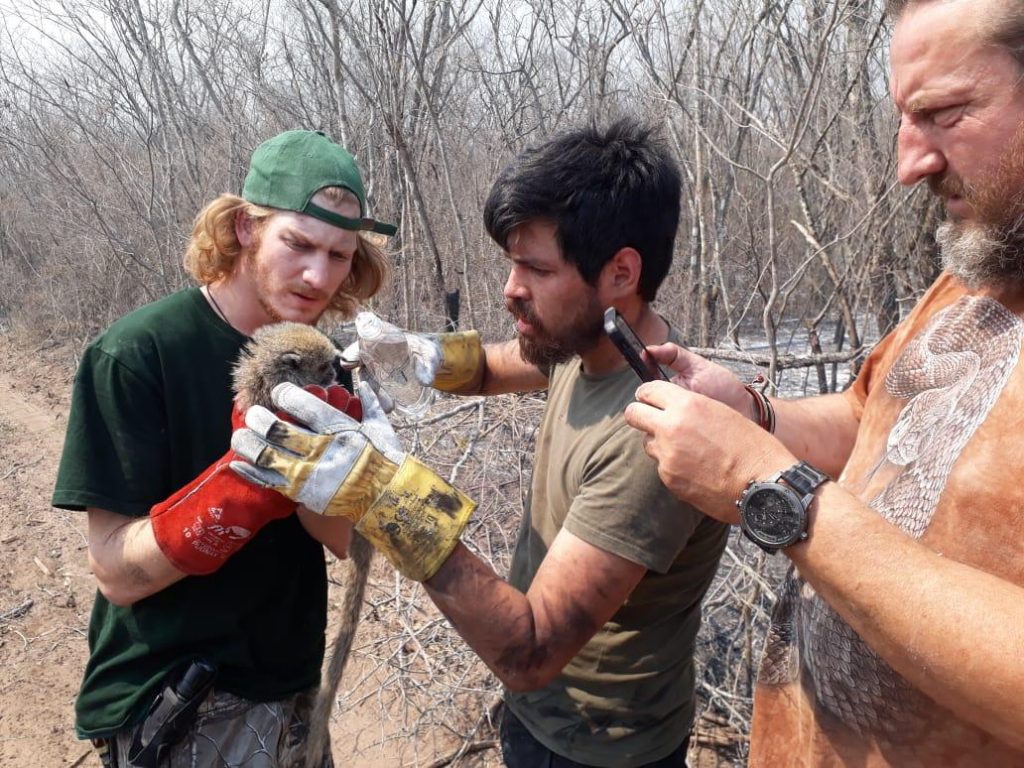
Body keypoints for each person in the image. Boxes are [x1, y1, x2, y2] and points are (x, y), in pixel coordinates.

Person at [232, 119, 729, 768]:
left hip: (597, 748)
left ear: (620, 273)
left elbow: (529, 650)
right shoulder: (591, 342)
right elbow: (498, 365)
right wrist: (415, 352)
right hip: (542, 720)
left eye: (535, 267)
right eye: (510, 262)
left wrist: (388, 497)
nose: (510, 288)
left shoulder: (654, 436)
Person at [620, 0, 1024, 765]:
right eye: (907, 117)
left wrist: (776, 495)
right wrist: (754, 413)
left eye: (943, 113)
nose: (910, 163)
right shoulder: (982, 265)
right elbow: (869, 416)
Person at [52, 129, 393, 767]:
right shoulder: (139, 353)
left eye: (340, 255)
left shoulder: (322, 363)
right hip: (178, 697)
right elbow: (116, 573)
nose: (319, 275)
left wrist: (361, 476)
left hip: (291, 692)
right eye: (298, 243)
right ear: (244, 227)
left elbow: (345, 540)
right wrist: (246, 487)